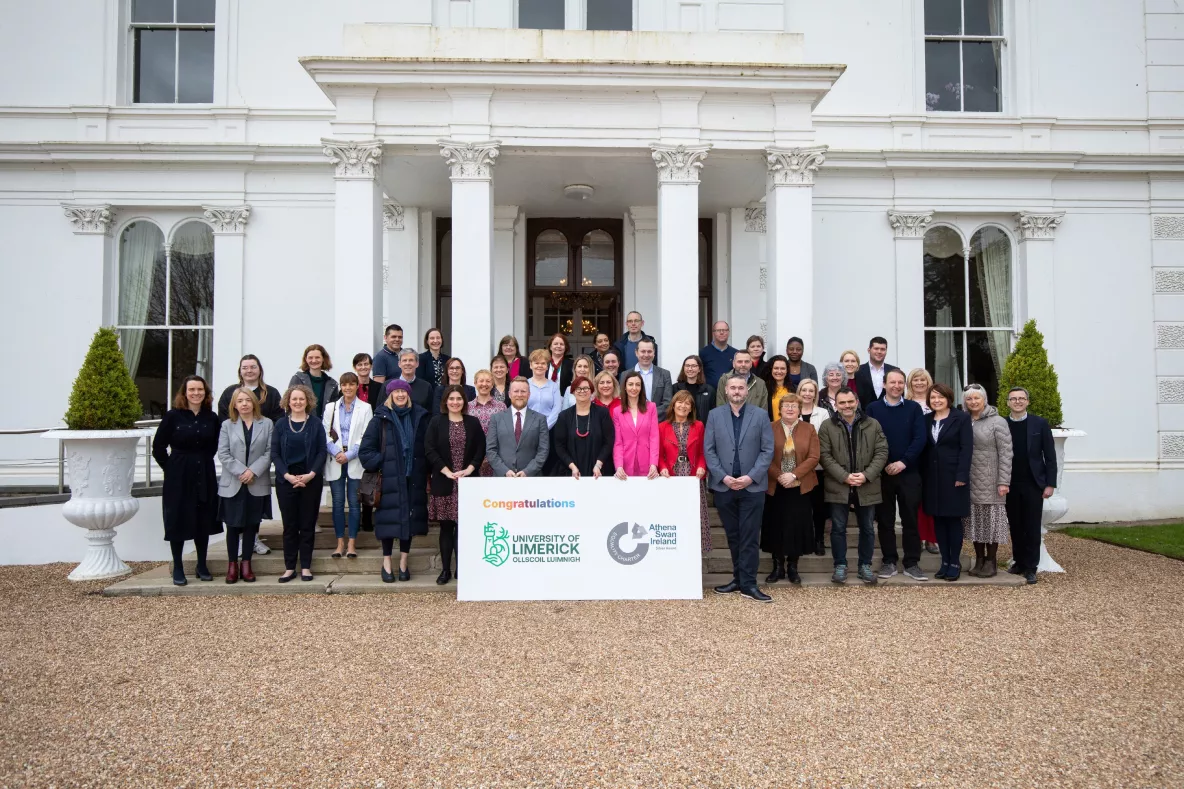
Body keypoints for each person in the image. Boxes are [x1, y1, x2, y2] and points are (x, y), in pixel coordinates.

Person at [703, 373, 775, 603]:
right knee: (733, 536)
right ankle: (737, 579)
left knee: (750, 537)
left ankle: (749, 584)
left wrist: (750, 477)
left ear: (747, 391)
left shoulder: (761, 415)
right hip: (724, 486)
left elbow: (767, 451)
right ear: (726, 390)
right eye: (732, 387)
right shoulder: (714, 415)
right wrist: (722, 477)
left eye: (740, 388)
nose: (736, 391)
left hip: (751, 487)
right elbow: (709, 450)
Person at [153, 375, 221, 587]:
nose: (196, 393)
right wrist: (171, 468)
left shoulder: (212, 417)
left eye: (200, 389)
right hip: (179, 474)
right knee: (179, 519)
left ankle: (202, 565)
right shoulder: (173, 417)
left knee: (203, 518)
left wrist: (202, 461)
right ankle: (179, 567)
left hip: (204, 471)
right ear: (184, 393)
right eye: (191, 389)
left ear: (205, 393)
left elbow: (214, 445)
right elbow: (158, 448)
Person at [359, 379, 429, 582]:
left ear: (408, 394)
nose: (400, 395)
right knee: (388, 521)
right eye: (396, 392)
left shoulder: (419, 416)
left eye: (403, 391)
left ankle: (404, 562)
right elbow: (366, 451)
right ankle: (387, 562)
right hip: (389, 479)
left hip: (412, 477)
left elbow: (426, 446)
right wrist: (385, 459)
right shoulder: (380, 418)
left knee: (409, 520)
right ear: (390, 395)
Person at [817, 388, 889, 585]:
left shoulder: (872, 424)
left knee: (867, 528)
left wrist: (866, 475)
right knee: (838, 528)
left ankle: (864, 565)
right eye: (842, 403)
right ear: (835, 405)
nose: (847, 406)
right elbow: (824, 455)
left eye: (850, 402)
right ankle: (840, 565)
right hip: (838, 486)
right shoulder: (826, 426)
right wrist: (844, 476)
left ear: (857, 401)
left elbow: (882, 452)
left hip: (867, 485)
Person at [865, 369, 927, 581]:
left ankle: (912, 562)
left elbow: (920, 438)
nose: (896, 386)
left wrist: (903, 462)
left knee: (910, 519)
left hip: (909, 472)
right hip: (882, 474)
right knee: (885, 520)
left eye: (900, 382)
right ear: (884, 384)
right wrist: (886, 463)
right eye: (892, 382)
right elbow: (870, 440)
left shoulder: (914, 408)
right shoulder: (872, 409)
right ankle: (889, 560)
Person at [425, 384, 486, 585]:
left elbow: (480, 449)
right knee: (446, 528)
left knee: (464, 529)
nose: (455, 402)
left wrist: (469, 470)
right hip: (444, 481)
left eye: (459, 399)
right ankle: (445, 570)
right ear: (445, 401)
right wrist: (447, 471)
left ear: (464, 402)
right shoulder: (436, 422)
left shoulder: (473, 422)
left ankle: (462, 568)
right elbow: (430, 450)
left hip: (468, 483)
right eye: (451, 399)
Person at [760, 395, 820, 586]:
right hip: (776, 485)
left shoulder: (809, 429)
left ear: (800, 409)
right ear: (780, 409)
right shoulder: (770, 428)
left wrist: (793, 475)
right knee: (775, 526)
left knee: (797, 526)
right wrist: (780, 475)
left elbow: (814, 457)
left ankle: (793, 567)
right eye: (786, 406)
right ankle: (777, 566)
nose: (790, 409)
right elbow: (764, 455)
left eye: (794, 406)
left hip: (800, 485)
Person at [216, 387, 273, 584]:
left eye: (248, 400)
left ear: (254, 403)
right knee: (232, 525)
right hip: (233, 482)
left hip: (256, 482)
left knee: (251, 525)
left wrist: (252, 471)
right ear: (235, 405)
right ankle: (232, 565)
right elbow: (223, 453)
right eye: (240, 401)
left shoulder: (266, 424)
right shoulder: (227, 425)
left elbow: (269, 452)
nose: (244, 404)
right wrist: (241, 471)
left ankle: (247, 563)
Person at [272, 384, 327, 582]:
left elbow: (322, 451)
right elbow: (275, 454)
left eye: (301, 399)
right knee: (289, 525)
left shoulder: (315, 423)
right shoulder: (280, 425)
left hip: (310, 480)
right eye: (294, 399)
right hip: (286, 481)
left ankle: (305, 566)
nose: (297, 402)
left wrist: (311, 474)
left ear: (308, 401)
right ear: (288, 401)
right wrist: (287, 476)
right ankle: (289, 567)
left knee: (307, 525)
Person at [1004, 386, 1057, 585]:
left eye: (1021, 398)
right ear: (1008, 402)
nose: (1017, 401)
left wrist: (1050, 483)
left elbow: (1050, 456)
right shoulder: (1002, 424)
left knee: (1032, 526)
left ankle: (1031, 567)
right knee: (1015, 525)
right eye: (1013, 399)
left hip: (1034, 483)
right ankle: (1018, 561)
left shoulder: (1040, 424)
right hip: (1009, 483)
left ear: (1027, 401)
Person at [921, 383, 973, 582]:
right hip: (932, 478)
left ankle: (954, 562)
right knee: (939, 520)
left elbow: (966, 448)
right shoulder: (926, 420)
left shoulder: (961, 418)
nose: (936, 400)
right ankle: (944, 561)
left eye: (940, 397)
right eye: (933, 397)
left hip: (954, 478)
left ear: (948, 398)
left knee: (952, 520)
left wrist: (961, 476)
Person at [962, 383, 1013, 579]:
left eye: (977, 398)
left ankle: (991, 560)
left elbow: (1006, 453)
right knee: (975, 521)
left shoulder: (997, 422)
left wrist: (1004, 481)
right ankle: (979, 559)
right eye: (969, 398)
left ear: (984, 399)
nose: (973, 402)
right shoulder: (964, 420)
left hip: (991, 479)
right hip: (970, 479)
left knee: (991, 522)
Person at [324, 372, 373, 560]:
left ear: (356, 386)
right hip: (335, 459)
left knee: (354, 503)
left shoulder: (366, 408)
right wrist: (336, 453)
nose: (348, 388)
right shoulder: (331, 407)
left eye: (352, 384)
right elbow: (325, 432)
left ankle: (352, 543)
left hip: (354, 460)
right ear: (340, 387)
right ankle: (339, 543)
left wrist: (350, 454)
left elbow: (366, 435)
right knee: (337, 504)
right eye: (344, 385)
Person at [659, 391, 711, 553]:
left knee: (694, 518)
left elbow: (703, 452)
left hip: (693, 477)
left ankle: (694, 555)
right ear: (673, 405)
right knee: (673, 517)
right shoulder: (662, 427)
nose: (683, 406)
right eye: (680, 402)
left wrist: (702, 467)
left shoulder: (699, 426)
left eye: (687, 403)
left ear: (691, 409)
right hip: (670, 478)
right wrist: (663, 468)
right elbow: (659, 455)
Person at [796, 378, 832, 556]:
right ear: (799, 392)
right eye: (804, 390)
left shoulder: (823, 413)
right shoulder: (792, 410)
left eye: (811, 391)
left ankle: (819, 539)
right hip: (797, 468)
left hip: (818, 468)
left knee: (819, 507)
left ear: (815, 394)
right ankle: (804, 540)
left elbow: (824, 439)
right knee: (801, 507)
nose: (807, 394)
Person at [485, 378, 550, 477]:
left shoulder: (540, 419)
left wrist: (528, 471)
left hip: (531, 479)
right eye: (516, 391)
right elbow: (491, 450)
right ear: (510, 394)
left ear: (529, 394)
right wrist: (504, 471)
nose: (519, 395)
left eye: (523, 391)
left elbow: (543, 450)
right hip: (502, 478)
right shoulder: (496, 419)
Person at [553, 375, 615, 479]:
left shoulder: (602, 413)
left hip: (599, 471)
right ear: (572, 392)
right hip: (571, 471)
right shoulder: (564, 416)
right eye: (578, 388)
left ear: (591, 391)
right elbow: (559, 446)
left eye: (586, 388)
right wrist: (572, 467)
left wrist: (598, 464)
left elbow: (609, 441)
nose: (582, 391)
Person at [905, 367, 939, 554]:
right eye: (915, 380)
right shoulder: (906, 403)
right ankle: (916, 536)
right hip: (913, 457)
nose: (919, 383)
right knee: (913, 500)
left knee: (930, 497)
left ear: (928, 382)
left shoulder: (934, 402)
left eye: (922, 380)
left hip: (932, 456)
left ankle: (931, 539)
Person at [613, 371, 660, 480]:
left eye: (637, 384)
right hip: (625, 463)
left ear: (641, 388)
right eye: (630, 384)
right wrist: (619, 466)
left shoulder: (651, 407)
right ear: (624, 387)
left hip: (647, 462)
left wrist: (654, 463)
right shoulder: (617, 411)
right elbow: (618, 442)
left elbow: (654, 438)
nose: (634, 388)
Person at [217, 354, 283, 423]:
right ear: (240, 371)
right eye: (244, 368)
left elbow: (278, 420)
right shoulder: (229, 392)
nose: (249, 370)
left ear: (260, 370)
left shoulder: (272, 393)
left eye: (253, 367)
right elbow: (223, 419)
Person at [469, 369, 507, 477]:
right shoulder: (467, 407)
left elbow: (504, 433)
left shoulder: (501, 406)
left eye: (488, 381)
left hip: (496, 457)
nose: (484, 384)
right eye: (481, 381)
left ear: (492, 384)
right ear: (475, 383)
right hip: (473, 457)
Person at [623, 338, 672, 418]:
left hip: (658, 422)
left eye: (649, 351)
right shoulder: (625, 375)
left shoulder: (664, 374)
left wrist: (648, 416)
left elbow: (667, 403)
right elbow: (623, 401)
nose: (646, 355)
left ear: (654, 353)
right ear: (636, 353)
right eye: (643, 351)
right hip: (633, 422)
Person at [289, 344, 338, 419]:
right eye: (310, 358)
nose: (314, 360)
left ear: (323, 359)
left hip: (325, 427)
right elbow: (289, 405)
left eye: (317, 357)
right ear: (306, 359)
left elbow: (335, 410)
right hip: (302, 426)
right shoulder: (297, 379)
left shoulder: (332, 384)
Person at [854, 337, 901, 409]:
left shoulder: (895, 371)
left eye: (882, 349)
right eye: (876, 348)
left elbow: (900, 395)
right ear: (869, 350)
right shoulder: (857, 371)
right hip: (864, 417)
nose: (879, 352)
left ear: (886, 351)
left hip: (890, 414)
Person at [672, 354, 714, 426]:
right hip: (680, 429)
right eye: (687, 366)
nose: (690, 369)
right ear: (684, 368)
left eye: (694, 366)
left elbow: (713, 413)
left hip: (703, 430)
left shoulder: (709, 390)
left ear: (699, 369)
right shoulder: (675, 388)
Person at [526, 348, 563, 429]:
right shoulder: (525, 384)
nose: (540, 366)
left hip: (549, 430)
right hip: (527, 429)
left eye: (543, 363)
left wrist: (544, 427)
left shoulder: (554, 386)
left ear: (547, 366)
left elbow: (557, 410)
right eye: (536, 363)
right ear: (531, 365)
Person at [700, 321, 738, 389]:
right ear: (713, 333)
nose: (721, 332)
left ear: (728, 332)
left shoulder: (735, 353)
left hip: (730, 394)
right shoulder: (703, 353)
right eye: (718, 330)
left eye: (724, 330)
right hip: (709, 395)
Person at [396, 347, 435, 412]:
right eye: (404, 360)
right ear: (399, 364)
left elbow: (430, 413)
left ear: (417, 364)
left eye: (411, 360)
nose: (407, 363)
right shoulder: (389, 385)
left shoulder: (426, 387)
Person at [761, 354, 792, 420]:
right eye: (776, 368)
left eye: (782, 368)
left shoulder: (793, 389)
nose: (779, 371)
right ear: (771, 369)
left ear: (787, 370)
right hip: (770, 428)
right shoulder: (764, 389)